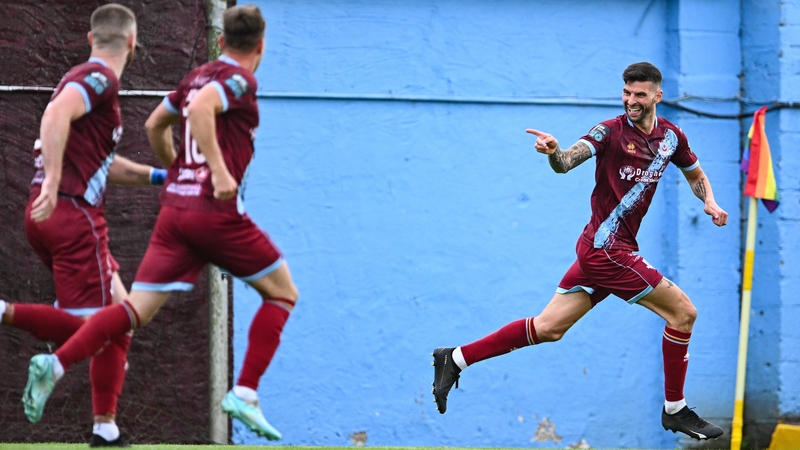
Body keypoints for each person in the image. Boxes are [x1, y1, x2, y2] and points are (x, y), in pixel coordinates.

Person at [21, 4, 298, 442]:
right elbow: (203, 109)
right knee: (282, 292)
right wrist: (218, 173)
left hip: (175, 213)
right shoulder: (235, 79)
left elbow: (155, 124)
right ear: (260, 46)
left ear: (221, 41)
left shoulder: (194, 76)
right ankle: (244, 391)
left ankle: (66, 378)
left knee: (130, 313)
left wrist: (174, 171)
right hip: (205, 213)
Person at [432, 62, 727, 441]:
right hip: (606, 250)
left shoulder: (672, 137)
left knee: (548, 328)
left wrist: (711, 203)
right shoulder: (609, 132)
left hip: (603, 247)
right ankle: (675, 409)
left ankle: (454, 358)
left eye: (639, 94)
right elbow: (568, 161)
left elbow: (695, 174)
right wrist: (554, 152)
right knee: (684, 313)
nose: (631, 101)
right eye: (626, 93)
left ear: (657, 95)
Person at [1, 3, 167, 447]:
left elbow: (101, 164)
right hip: (72, 215)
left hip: (53, 213)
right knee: (97, 329)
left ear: (91, 37)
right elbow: (54, 116)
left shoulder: (86, 84)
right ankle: (4, 314)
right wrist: (55, 181)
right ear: (133, 43)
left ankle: (105, 429)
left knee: (120, 319)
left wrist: (159, 176)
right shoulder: (100, 79)